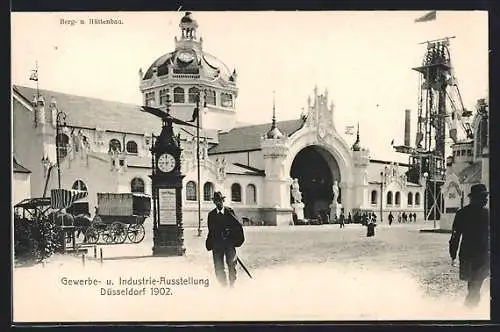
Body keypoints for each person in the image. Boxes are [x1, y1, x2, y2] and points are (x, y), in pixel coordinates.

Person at [449, 184, 490, 307]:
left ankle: (470, 309)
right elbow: (455, 236)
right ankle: (470, 310)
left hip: (469, 255)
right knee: (475, 287)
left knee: (473, 286)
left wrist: (453, 253)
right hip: (480, 256)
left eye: (486, 197)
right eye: (483, 197)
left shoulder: (462, 213)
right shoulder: (487, 214)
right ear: (475, 198)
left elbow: (455, 237)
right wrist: (453, 254)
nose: (486, 199)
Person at [206, 192, 245, 288]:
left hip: (229, 244)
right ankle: (223, 286)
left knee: (232, 264)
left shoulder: (229, 211)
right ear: (214, 202)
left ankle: (232, 285)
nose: (218, 203)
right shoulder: (211, 215)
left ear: (223, 200)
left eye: (220, 200)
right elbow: (210, 230)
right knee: (218, 267)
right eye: (216, 201)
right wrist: (211, 243)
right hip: (217, 245)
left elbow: (238, 226)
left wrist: (230, 233)